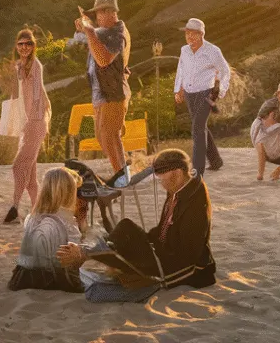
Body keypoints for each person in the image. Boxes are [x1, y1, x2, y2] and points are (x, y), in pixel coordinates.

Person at [57, 149, 215, 303]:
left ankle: (86, 254)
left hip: (183, 267)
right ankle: (93, 252)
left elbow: (188, 255)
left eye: (162, 178)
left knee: (115, 259)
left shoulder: (195, 202)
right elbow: (162, 230)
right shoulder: (178, 187)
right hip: (163, 250)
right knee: (125, 228)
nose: (160, 183)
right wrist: (143, 241)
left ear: (178, 173)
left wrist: (152, 269)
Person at [69, 0, 132, 186]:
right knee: (102, 136)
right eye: (95, 15)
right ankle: (123, 172)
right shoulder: (106, 32)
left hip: (112, 93)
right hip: (102, 93)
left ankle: (122, 177)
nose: (97, 18)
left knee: (109, 134)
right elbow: (90, 45)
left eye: (100, 13)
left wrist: (88, 31)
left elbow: (103, 60)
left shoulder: (118, 33)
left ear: (111, 12)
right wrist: (86, 31)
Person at [0, 29, 52, 224]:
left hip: (36, 122)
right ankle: (38, 210)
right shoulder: (19, 66)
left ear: (33, 46)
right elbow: (15, 94)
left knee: (18, 165)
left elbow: (37, 94)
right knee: (30, 172)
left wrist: (32, 119)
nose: (24, 47)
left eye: (28, 44)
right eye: (20, 44)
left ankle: (14, 207)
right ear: (16, 46)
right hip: (27, 123)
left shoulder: (36, 65)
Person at [8, 167, 85, 292]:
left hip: (23, 277)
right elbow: (72, 262)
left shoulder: (32, 218)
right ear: (70, 193)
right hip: (54, 277)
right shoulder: (67, 222)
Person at [173, 18, 231, 176]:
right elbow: (181, 70)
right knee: (200, 127)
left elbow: (225, 71)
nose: (189, 37)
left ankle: (197, 170)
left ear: (201, 34)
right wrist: (178, 89)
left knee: (197, 129)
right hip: (190, 94)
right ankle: (216, 160)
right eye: (187, 33)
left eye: (193, 33)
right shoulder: (184, 50)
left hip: (206, 94)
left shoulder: (213, 51)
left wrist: (221, 90)